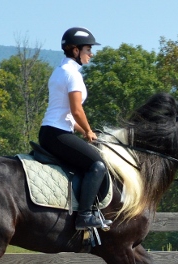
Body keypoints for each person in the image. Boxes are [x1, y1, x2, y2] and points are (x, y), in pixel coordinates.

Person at [39, 27, 112, 230]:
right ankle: (85, 216)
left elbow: (68, 114)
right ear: (75, 50)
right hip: (58, 133)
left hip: (51, 131)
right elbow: (76, 110)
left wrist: (83, 132)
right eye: (88, 49)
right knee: (97, 165)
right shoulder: (72, 75)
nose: (91, 53)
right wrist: (88, 131)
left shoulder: (59, 71)